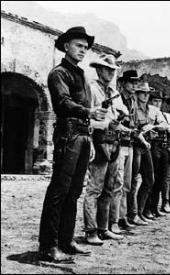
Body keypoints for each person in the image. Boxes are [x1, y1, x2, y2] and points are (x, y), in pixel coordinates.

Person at [38, 26, 108, 263]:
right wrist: (89, 111)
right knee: (59, 190)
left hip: (83, 135)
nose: (83, 50)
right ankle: (48, 245)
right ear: (66, 46)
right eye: (79, 45)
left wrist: (89, 122)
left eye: (86, 48)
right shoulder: (58, 73)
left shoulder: (80, 75)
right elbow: (63, 103)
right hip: (68, 135)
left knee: (74, 191)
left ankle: (66, 241)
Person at [83, 54, 129, 243]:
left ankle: (104, 227)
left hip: (114, 142)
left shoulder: (114, 93)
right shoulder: (91, 90)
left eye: (112, 70)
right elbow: (87, 119)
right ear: (98, 70)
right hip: (98, 140)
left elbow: (119, 116)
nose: (110, 73)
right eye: (106, 69)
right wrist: (106, 125)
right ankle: (91, 230)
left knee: (109, 187)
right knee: (94, 188)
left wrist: (122, 120)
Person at [128, 82, 167, 225]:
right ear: (137, 94)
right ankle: (131, 214)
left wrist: (153, 128)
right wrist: (144, 131)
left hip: (147, 146)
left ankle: (140, 211)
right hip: (137, 145)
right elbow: (134, 127)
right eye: (142, 93)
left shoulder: (149, 110)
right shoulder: (133, 108)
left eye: (147, 93)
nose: (145, 95)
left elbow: (162, 125)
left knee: (149, 179)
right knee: (132, 181)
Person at [109, 70, 141, 233]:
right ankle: (113, 220)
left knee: (127, 183)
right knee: (118, 183)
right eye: (132, 82)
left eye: (136, 83)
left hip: (130, 144)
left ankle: (122, 217)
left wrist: (135, 130)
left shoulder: (133, 102)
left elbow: (132, 122)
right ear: (123, 84)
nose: (135, 86)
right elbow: (114, 121)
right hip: (119, 144)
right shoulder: (117, 99)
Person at [144, 90, 170, 219]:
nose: (158, 103)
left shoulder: (163, 114)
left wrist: (160, 126)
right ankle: (146, 208)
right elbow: (156, 127)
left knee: (161, 179)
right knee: (151, 178)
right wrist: (159, 126)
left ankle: (154, 207)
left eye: (160, 101)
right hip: (152, 146)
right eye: (155, 101)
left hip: (163, 146)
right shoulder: (149, 112)